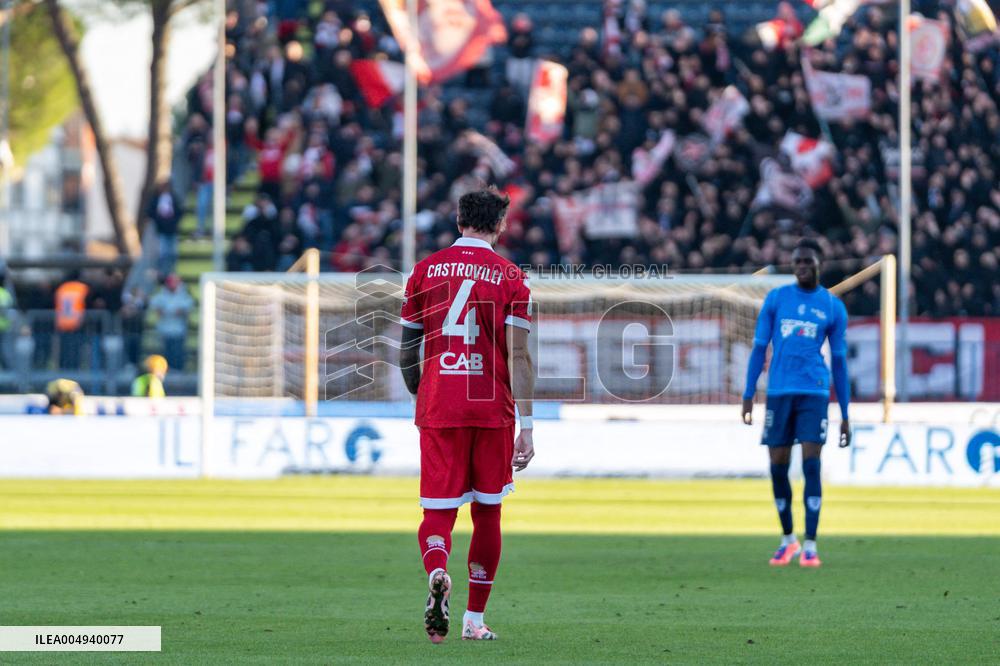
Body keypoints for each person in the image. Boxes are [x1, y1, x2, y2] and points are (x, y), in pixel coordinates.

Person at [398, 188, 535, 642]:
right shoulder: (512, 277)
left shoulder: (424, 271)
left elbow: (406, 350)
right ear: (500, 226)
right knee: (488, 513)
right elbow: (520, 357)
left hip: (440, 403)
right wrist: (528, 427)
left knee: (437, 512)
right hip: (492, 409)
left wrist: (422, 389)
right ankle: (474, 620)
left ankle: (438, 570)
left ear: (458, 221)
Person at [741, 238, 851, 568]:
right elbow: (759, 348)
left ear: (820, 264)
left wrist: (845, 413)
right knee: (777, 465)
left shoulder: (832, 307)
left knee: (811, 462)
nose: (802, 266)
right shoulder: (776, 299)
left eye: (808, 261)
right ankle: (788, 538)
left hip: (814, 392)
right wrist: (748, 394)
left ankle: (812, 544)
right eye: (797, 262)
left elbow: (841, 363)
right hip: (778, 393)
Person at [150, 274, 193, 372]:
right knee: (166, 351)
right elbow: (157, 308)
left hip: (179, 329)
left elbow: (185, 310)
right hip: (165, 328)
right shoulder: (161, 295)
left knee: (178, 351)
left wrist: (170, 312)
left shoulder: (184, 294)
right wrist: (171, 312)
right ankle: (167, 370)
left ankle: (178, 369)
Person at [147, 179, 183, 278]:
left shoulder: (173, 198)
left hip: (172, 230)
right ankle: (162, 273)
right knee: (163, 253)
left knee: (172, 253)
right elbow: (150, 212)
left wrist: (173, 221)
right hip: (162, 230)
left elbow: (179, 211)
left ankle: (172, 273)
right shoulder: (156, 199)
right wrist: (159, 220)